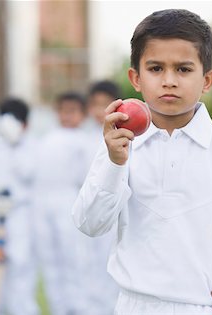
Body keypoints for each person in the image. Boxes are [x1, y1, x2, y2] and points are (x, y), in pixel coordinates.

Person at [72, 9, 212, 315]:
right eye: (155, 68)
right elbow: (90, 224)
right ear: (135, 78)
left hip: (205, 307)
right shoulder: (121, 147)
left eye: (183, 69)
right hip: (135, 306)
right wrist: (115, 162)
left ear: (207, 79)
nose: (169, 81)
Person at [0, 98, 39, 315]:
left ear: (25, 125)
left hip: (21, 215)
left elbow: (29, 173)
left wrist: (15, 144)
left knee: (21, 266)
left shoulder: (30, 145)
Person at [33, 91, 90, 315]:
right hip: (42, 200)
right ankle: (58, 306)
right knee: (49, 257)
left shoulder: (83, 142)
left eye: (72, 111)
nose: (67, 116)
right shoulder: (46, 138)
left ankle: (78, 306)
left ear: (82, 115)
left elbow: (86, 178)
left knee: (72, 256)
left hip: (68, 199)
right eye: (63, 111)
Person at [84, 80, 122, 314]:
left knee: (111, 266)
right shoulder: (81, 136)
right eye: (94, 104)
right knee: (88, 267)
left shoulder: (124, 137)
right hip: (89, 211)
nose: (99, 111)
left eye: (103, 104)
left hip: (113, 213)